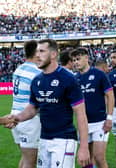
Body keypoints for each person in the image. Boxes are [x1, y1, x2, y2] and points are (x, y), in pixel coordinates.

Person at [5, 39, 90, 168]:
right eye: (37, 51)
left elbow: (81, 114)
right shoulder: (37, 80)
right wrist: (18, 117)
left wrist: (84, 147)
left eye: (42, 51)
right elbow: (33, 108)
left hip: (63, 140)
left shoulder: (68, 79)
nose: (38, 55)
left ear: (53, 54)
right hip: (44, 139)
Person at [70, 47, 114, 168]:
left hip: (99, 122)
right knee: (87, 160)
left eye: (78, 59)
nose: (75, 62)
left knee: (99, 157)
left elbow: (110, 95)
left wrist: (109, 118)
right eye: (73, 60)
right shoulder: (74, 79)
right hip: (83, 124)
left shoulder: (99, 74)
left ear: (86, 58)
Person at [10, 40, 42, 168]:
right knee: (30, 162)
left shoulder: (19, 68)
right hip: (29, 118)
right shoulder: (36, 72)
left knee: (25, 158)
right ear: (36, 53)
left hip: (15, 116)